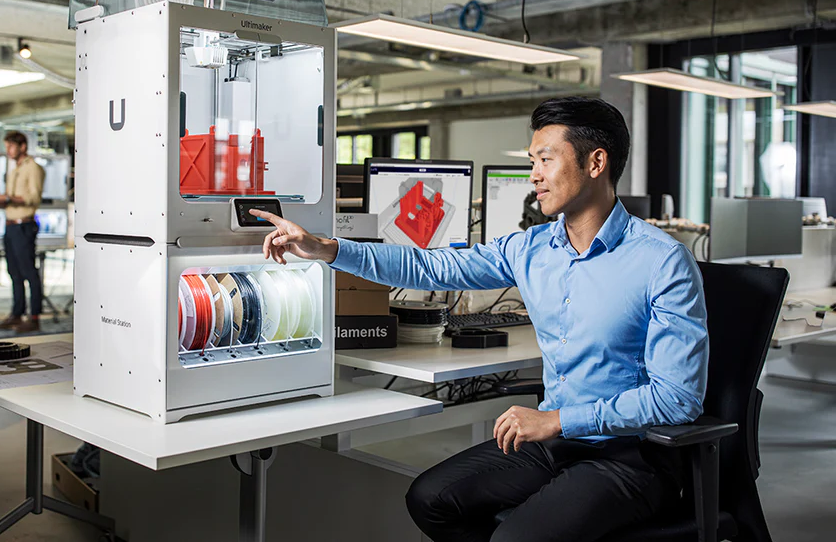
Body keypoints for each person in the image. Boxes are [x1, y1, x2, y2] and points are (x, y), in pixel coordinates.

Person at [251, 96, 709, 542]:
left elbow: (677, 400)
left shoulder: (662, 261)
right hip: (555, 444)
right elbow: (430, 267)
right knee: (430, 500)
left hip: (633, 456)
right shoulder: (531, 248)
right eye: (532, 161)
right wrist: (326, 249)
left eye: (545, 160)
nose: (534, 176)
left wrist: (557, 420)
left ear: (596, 162)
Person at [0, 131, 46, 334]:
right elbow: (12, 199)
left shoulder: (33, 168)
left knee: (29, 272)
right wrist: (0, 200)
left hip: (24, 226)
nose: (8, 150)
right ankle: (17, 314)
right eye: (6, 147)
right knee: (14, 272)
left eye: (11, 146)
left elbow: (33, 198)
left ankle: (34, 317)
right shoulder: (14, 169)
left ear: (22, 146)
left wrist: (7, 198)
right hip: (11, 225)